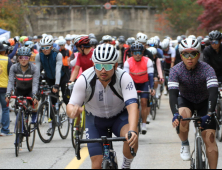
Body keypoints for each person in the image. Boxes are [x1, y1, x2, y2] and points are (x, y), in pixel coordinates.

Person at [67, 44, 138, 169]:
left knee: (131, 136)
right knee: (96, 165)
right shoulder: (84, 80)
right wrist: (72, 111)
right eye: (99, 66)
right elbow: (71, 105)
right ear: (94, 65)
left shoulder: (124, 77)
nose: (103, 70)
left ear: (115, 66)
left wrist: (132, 130)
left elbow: (132, 106)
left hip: (119, 117)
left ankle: (126, 165)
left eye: (108, 66)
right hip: (95, 120)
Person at [169, 38, 219, 169]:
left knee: (210, 138)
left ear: (199, 54)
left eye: (194, 53)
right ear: (181, 55)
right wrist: (175, 114)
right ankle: (184, 143)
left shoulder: (207, 69)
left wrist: (209, 113)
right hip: (186, 100)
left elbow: (213, 92)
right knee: (183, 116)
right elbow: (173, 94)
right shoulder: (175, 70)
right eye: (186, 54)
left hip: (205, 102)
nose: (190, 57)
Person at [35, 36, 69, 135]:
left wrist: (57, 85)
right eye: (43, 47)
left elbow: (58, 70)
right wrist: (36, 85)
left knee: (66, 98)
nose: (45, 50)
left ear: (51, 47)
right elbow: (37, 71)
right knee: (51, 101)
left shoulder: (57, 54)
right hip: (49, 77)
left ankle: (71, 119)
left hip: (62, 77)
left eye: (47, 47)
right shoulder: (39, 56)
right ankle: (51, 126)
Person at [124, 42, 155, 134]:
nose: (138, 55)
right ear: (132, 53)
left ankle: (144, 124)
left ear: (143, 53)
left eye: (140, 52)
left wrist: (152, 88)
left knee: (144, 102)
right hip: (132, 83)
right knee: (133, 104)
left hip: (144, 83)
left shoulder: (147, 61)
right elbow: (125, 78)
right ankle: (133, 122)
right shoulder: (128, 62)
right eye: (135, 52)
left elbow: (150, 76)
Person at [0, 43, 12, 136]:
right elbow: (11, 74)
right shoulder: (6, 59)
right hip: (4, 88)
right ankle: (4, 130)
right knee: (5, 109)